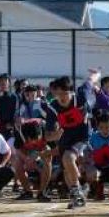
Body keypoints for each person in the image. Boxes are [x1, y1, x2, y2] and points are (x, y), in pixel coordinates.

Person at [44, 76, 89, 209]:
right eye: (58, 94)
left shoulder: (79, 100)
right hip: (65, 139)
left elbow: (89, 87)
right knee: (67, 171)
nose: (62, 97)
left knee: (68, 158)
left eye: (65, 93)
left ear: (71, 92)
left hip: (82, 137)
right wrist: (55, 135)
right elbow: (47, 137)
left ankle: (78, 191)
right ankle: (79, 196)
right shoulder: (53, 108)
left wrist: (94, 78)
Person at [12, 118, 52, 202]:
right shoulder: (20, 131)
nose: (34, 142)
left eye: (36, 139)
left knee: (48, 158)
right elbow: (18, 150)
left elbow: (55, 150)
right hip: (26, 150)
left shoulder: (47, 129)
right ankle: (27, 192)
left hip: (42, 149)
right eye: (32, 140)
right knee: (17, 162)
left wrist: (39, 156)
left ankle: (42, 192)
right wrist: (27, 159)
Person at [0, 74, 17, 140]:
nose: (3, 83)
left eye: (5, 81)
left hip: (10, 127)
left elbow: (17, 111)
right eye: (1, 81)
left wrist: (12, 123)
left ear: (9, 83)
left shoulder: (14, 97)